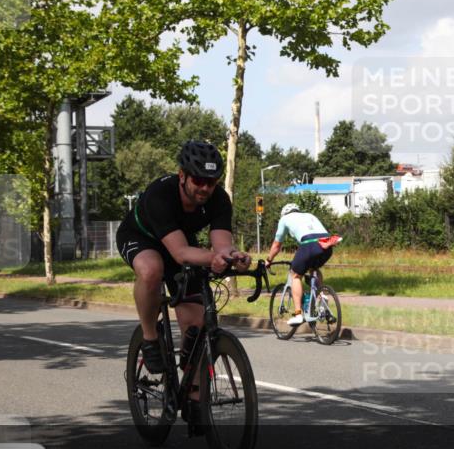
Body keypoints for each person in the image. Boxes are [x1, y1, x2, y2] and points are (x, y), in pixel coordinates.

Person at [116, 140, 250, 374]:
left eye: (211, 182)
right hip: (141, 237)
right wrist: (211, 259)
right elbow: (179, 253)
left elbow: (221, 245)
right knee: (151, 270)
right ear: (182, 176)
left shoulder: (218, 199)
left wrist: (233, 256)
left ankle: (194, 402)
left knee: (196, 326)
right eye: (198, 180)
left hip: (182, 240)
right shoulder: (160, 194)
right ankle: (149, 338)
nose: (205, 188)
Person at [265, 203, 339, 326]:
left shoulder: (284, 219)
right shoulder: (309, 215)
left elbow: (277, 245)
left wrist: (269, 260)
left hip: (309, 244)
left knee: (295, 275)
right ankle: (321, 295)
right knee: (313, 268)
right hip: (327, 245)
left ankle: (298, 314)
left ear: (284, 213)